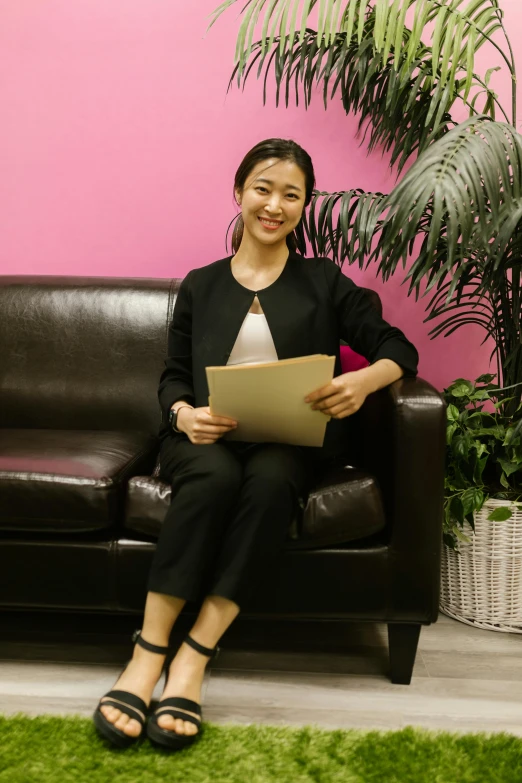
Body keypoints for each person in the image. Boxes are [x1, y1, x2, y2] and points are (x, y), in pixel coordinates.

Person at [93, 138, 419, 751]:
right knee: (214, 477)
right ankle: (148, 650)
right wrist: (185, 414)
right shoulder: (201, 285)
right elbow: (173, 374)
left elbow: (398, 348)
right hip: (207, 437)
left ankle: (195, 654)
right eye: (263, 189)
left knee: (270, 482)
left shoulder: (325, 282)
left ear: (304, 206)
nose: (275, 205)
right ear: (239, 193)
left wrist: (362, 381)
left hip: (289, 441)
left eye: (291, 194)